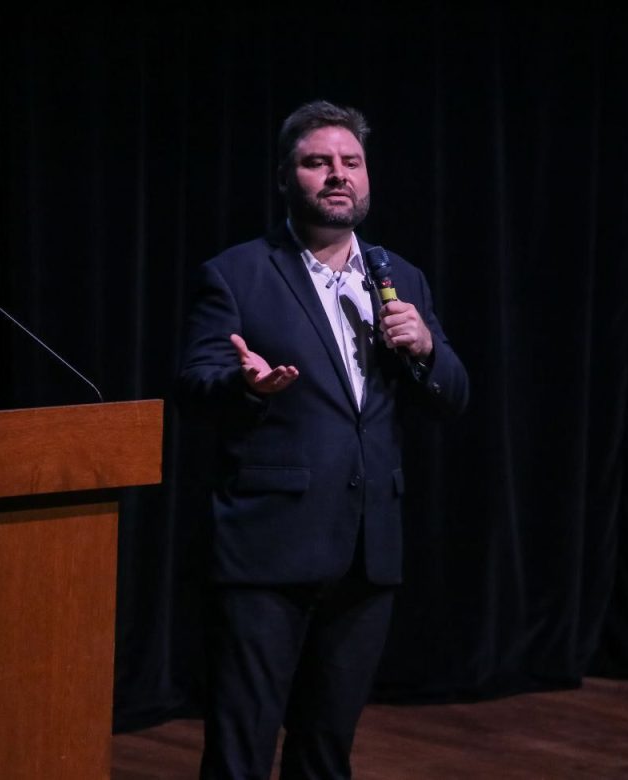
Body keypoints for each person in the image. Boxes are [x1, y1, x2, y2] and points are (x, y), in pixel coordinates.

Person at [177, 99, 469, 779]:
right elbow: (195, 385)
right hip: (267, 547)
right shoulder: (237, 273)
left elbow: (453, 397)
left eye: (351, 162)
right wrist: (247, 386)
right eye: (318, 162)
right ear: (287, 177)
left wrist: (425, 348)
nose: (339, 174)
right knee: (240, 751)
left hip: (367, 551)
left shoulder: (400, 277)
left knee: (326, 750)